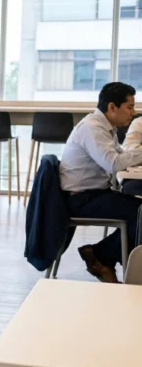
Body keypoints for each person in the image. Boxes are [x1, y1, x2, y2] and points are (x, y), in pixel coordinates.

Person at [60, 82, 142, 283]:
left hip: (95, 193)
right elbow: (113, 163)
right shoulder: (92, 128)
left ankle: (104, 255)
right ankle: (103, 256)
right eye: (129, 107)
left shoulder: (105, 127)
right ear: (112, 107)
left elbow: (120, 155)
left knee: (140, 210)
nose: (133, 113)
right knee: (140, 212)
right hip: (82, 199)